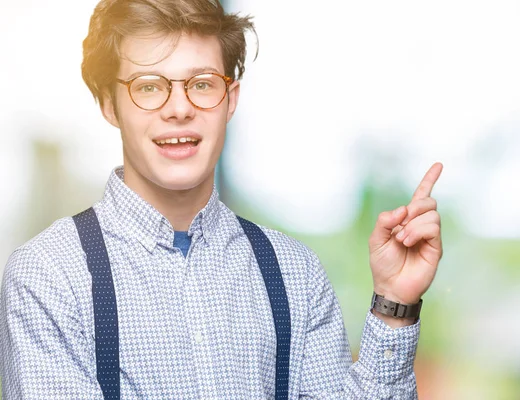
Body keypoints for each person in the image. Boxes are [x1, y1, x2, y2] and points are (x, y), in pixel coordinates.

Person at [0, 0, 443, 398]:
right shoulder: (49, 276)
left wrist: (394, 304)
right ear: (109, 104)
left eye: (202, 84)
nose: (179, 108)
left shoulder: (295, 273)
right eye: (149, 86)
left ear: (230, 99)